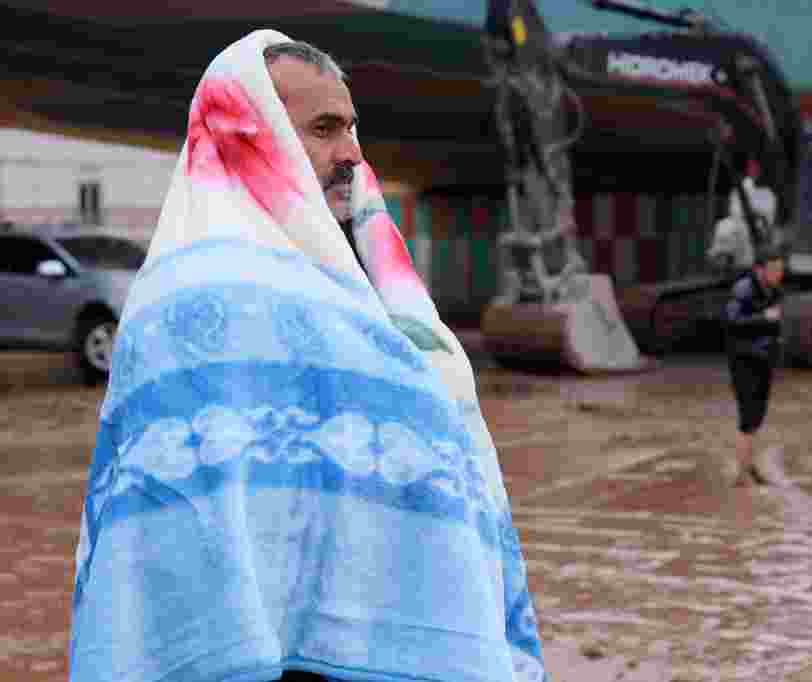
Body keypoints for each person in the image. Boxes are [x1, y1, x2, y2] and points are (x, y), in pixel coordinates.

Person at [69, 31, 547, 682]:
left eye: (352, 129)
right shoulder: (187, 303)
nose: (352, 153)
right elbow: (175, 532)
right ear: (247, 134)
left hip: (380, 647)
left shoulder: (360, 291)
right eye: (325, 129)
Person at [722, 243, 785, 487]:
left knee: (757, 415)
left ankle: (748, 465)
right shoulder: (743, 288)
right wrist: (764, 318)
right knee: (748, 415)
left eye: (781, 269)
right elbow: (731, 320)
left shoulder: (774, 290)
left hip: (764, 358)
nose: (778, 274)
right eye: (774, 269)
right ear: (760, 270)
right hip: (744, 359)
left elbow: (774, 323)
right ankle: (741, 475)